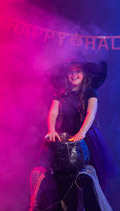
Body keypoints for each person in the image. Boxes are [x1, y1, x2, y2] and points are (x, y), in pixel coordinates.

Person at [44, 58, 115, 189]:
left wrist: (82, 133)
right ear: (66, 75)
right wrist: (52, 130)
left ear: (84, 74)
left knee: (87, 173)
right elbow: (53, 112)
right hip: (65, 135)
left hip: (86, 135)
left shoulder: (90, 91)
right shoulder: (61, 94)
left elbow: (91, 113)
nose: (74, 74)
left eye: (78, 71)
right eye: (70, 72)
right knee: (63, 173)